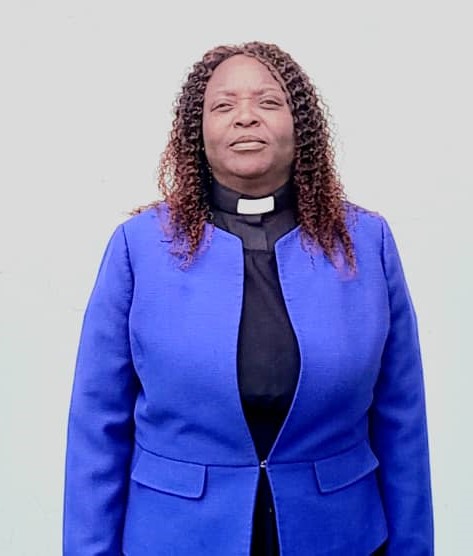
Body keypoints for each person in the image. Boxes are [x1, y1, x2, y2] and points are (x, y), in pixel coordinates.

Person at [63, 41, 434, 555]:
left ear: (300, 125)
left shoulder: (367, 243)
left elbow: (402, 421)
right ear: (197, 132)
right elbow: (96, 427)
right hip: (179, 538)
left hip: (337, 534)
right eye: (223, 105)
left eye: (268, 102)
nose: (245, 117)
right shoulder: (138, 248)